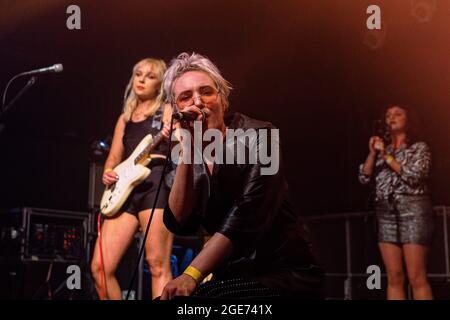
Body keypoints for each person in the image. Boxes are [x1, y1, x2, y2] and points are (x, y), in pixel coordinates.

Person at [159, 52, 323, 300]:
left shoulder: (262, 136)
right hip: (231, 277)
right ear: (177, 110)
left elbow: (248, 213)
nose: (197, 102)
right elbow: (178, 221)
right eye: (185, 97)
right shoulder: (184, 153)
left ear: (222, 100)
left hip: (283, 275)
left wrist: (192, 273)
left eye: (206, 92)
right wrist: (188, 149)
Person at [91, 58, 173, 299]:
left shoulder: (166, 109)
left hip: (155, 182)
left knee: (157, 265)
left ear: (160, 84)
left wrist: (174, 135)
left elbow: (181, 141)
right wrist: (108, 172)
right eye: (138, 74)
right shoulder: (124, 118)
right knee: (100, 267)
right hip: (125, 188)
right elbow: (115, 155)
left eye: (150, 76)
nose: (142, 79)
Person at [359, 104, 434, 300]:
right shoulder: (382, 149)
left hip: (413, 211)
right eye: (388, 115)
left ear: (408, 120)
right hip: (385, 213)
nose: (391, 117)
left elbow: (414, 176)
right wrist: (373, 153)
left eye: (397, 114)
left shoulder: (419, 147)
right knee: (394, 276)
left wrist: (386, 156)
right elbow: (364, 177)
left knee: (416, 276)